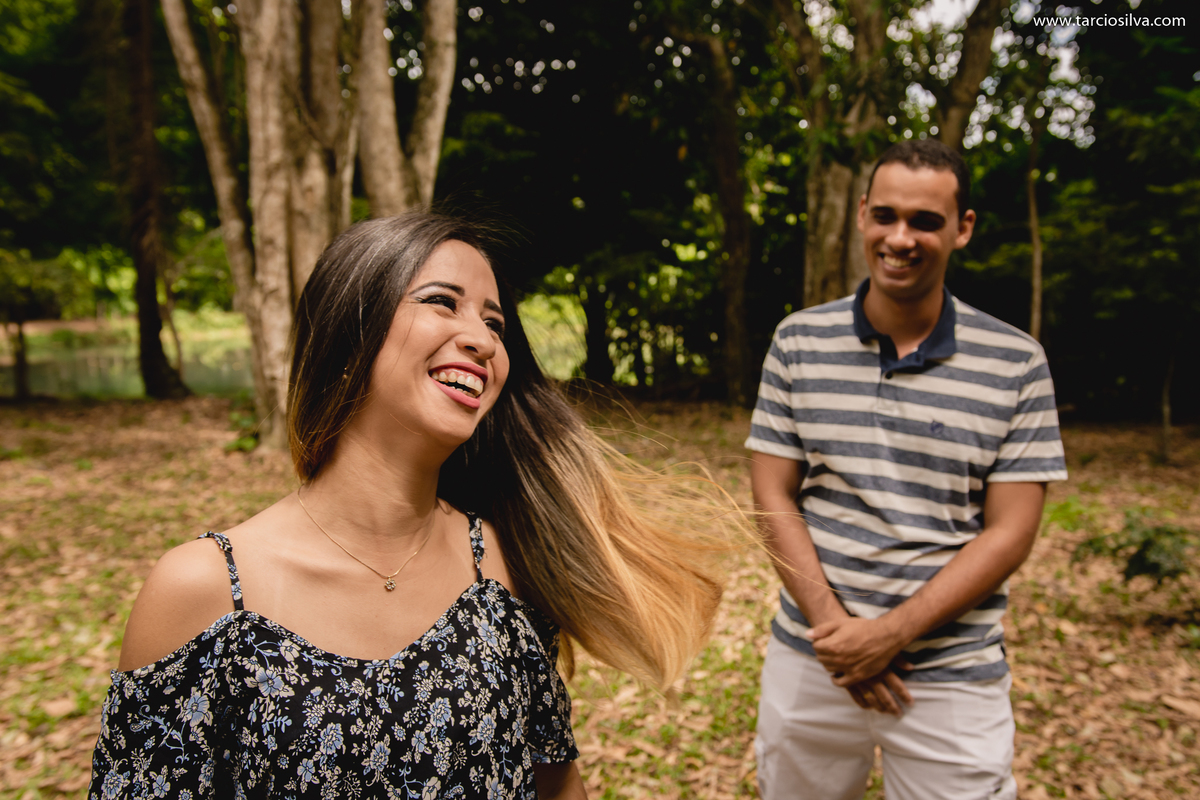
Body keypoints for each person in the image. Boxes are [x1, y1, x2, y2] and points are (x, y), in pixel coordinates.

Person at [90, 213, 738, 799]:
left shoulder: (505, 565)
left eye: (494, 323)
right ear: (352, 326)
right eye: (442, 303)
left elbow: (557, 781)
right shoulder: (203, 594)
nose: (481, 340)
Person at [746, 139, 1068, 800]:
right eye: (886, 215)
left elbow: (1012, 532)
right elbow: (771, 493)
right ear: (862, 214)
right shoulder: (797, 341)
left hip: (950, 672)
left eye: (925, 221)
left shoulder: (1017, 362)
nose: (901, 237)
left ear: (963, 228)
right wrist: (837, 631)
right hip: (814, 657)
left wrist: (889, 636)